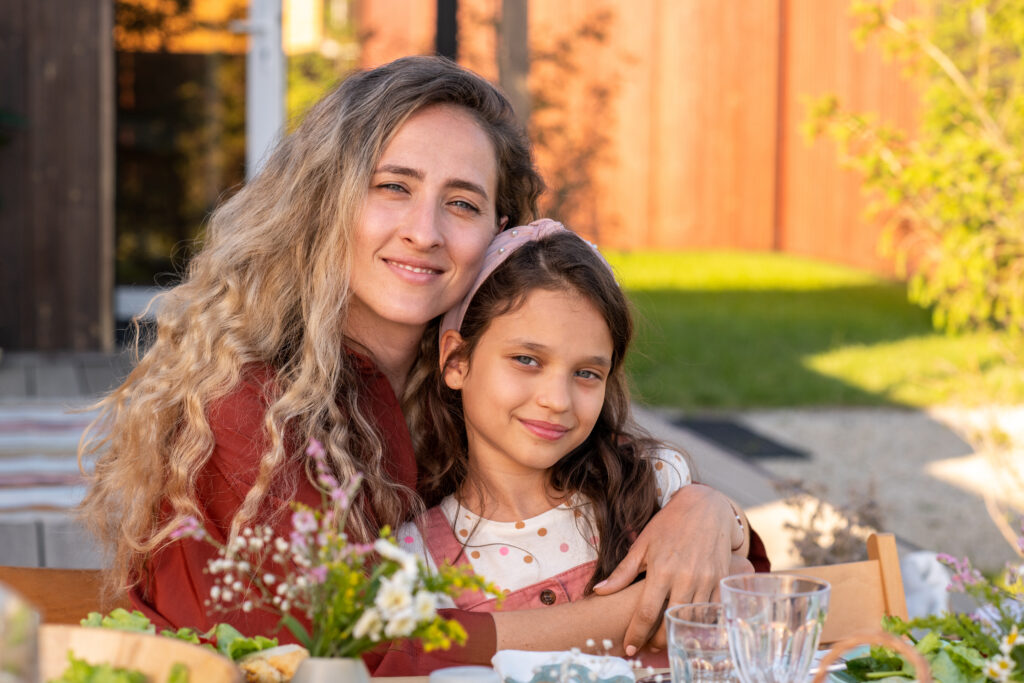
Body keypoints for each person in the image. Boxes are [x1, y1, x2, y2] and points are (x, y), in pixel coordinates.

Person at [78, 56, 768, 675]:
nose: (424, 231)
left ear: (499, 234)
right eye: (393, 187)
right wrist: (628, 614)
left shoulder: (467, 393)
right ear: (325, 202)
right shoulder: (253, 406)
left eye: (462, 202)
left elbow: (692, 547)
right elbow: (342, 654)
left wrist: (707, 510)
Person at [397, 221, 750, 659]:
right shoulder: (418, 557)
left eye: (586, 373)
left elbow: (740, 570)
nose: (557, 400)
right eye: (527, 360)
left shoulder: (654, 484)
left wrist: (711, 508)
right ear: (456, 361)